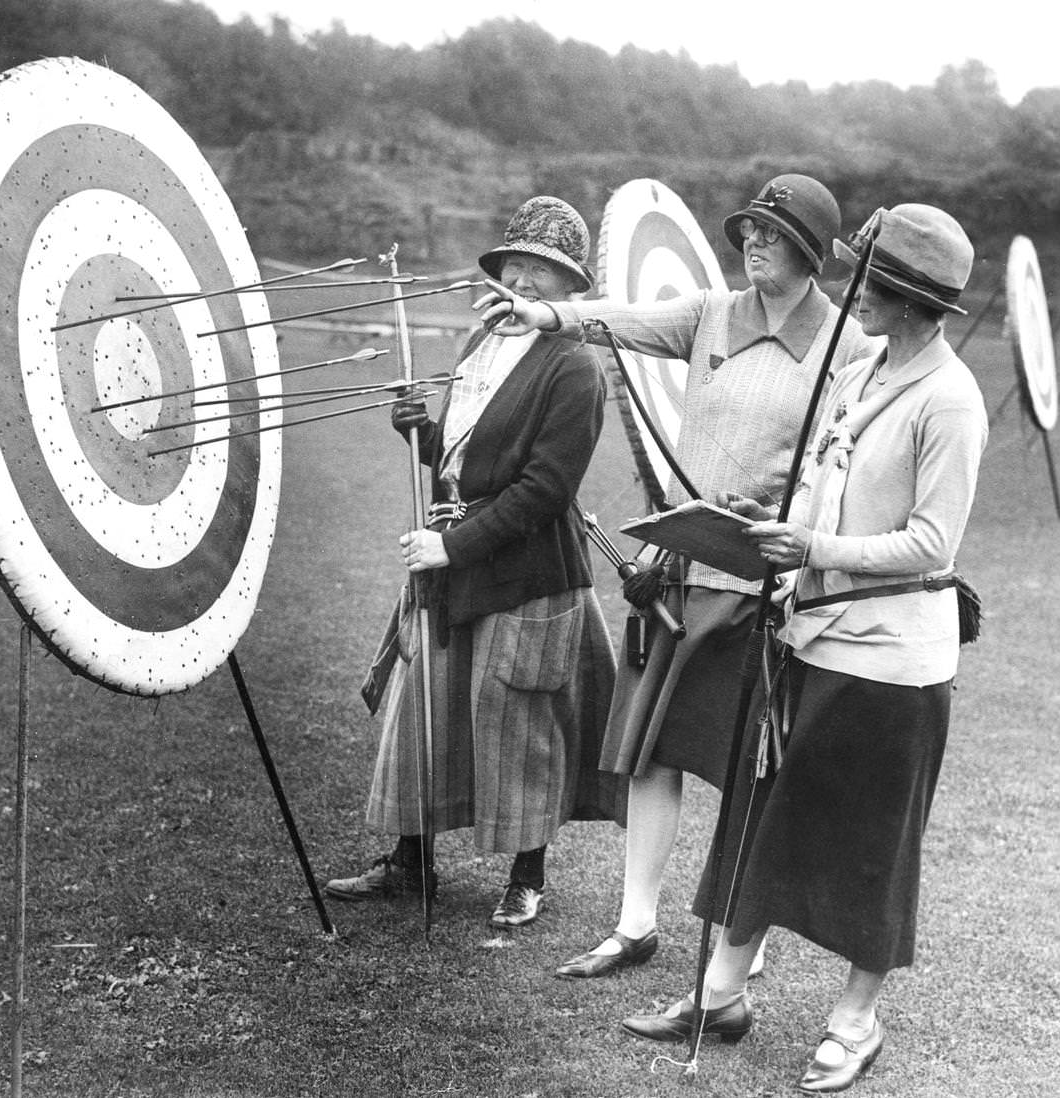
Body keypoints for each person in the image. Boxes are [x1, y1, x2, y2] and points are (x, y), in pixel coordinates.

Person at [620, 204, 987, 1095]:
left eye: (866, 281)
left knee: (872, 844)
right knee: (760, 818)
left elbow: (932, 545)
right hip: (815, 639)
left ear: (901, 296)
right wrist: (779, 527)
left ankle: (855, 1023)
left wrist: (811, 551)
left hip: (893, 667)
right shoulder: (868, 371)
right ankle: (721, 994)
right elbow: (833, 492)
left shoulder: (949, 399)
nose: (848, 292)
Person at [477, 175, 877, 978]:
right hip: (680, 570)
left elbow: (843, 465)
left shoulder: (848, 349)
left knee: (742, 765)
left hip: (758, 583)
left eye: (771, 232)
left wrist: (778, 510)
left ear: (809, 252)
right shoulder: (711, 314)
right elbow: (616, 321)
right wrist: (542, 312)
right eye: (749, 230)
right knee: (652, 753)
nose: (751, 242)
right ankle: (636, 925)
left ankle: (737, 937)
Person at [325, 196, 617, 929]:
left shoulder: (576, 368)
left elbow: (546, 490)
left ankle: (528, 874)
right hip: (452, 564)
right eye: (517, 263)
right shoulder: (480, 345)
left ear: (569, 287)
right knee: (424, 706)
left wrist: (452, 544)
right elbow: (465, 461)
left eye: (544, 271)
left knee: (518, 719)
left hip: (528, 572)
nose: (524, 279)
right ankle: (409, 863)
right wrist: (420, 434)